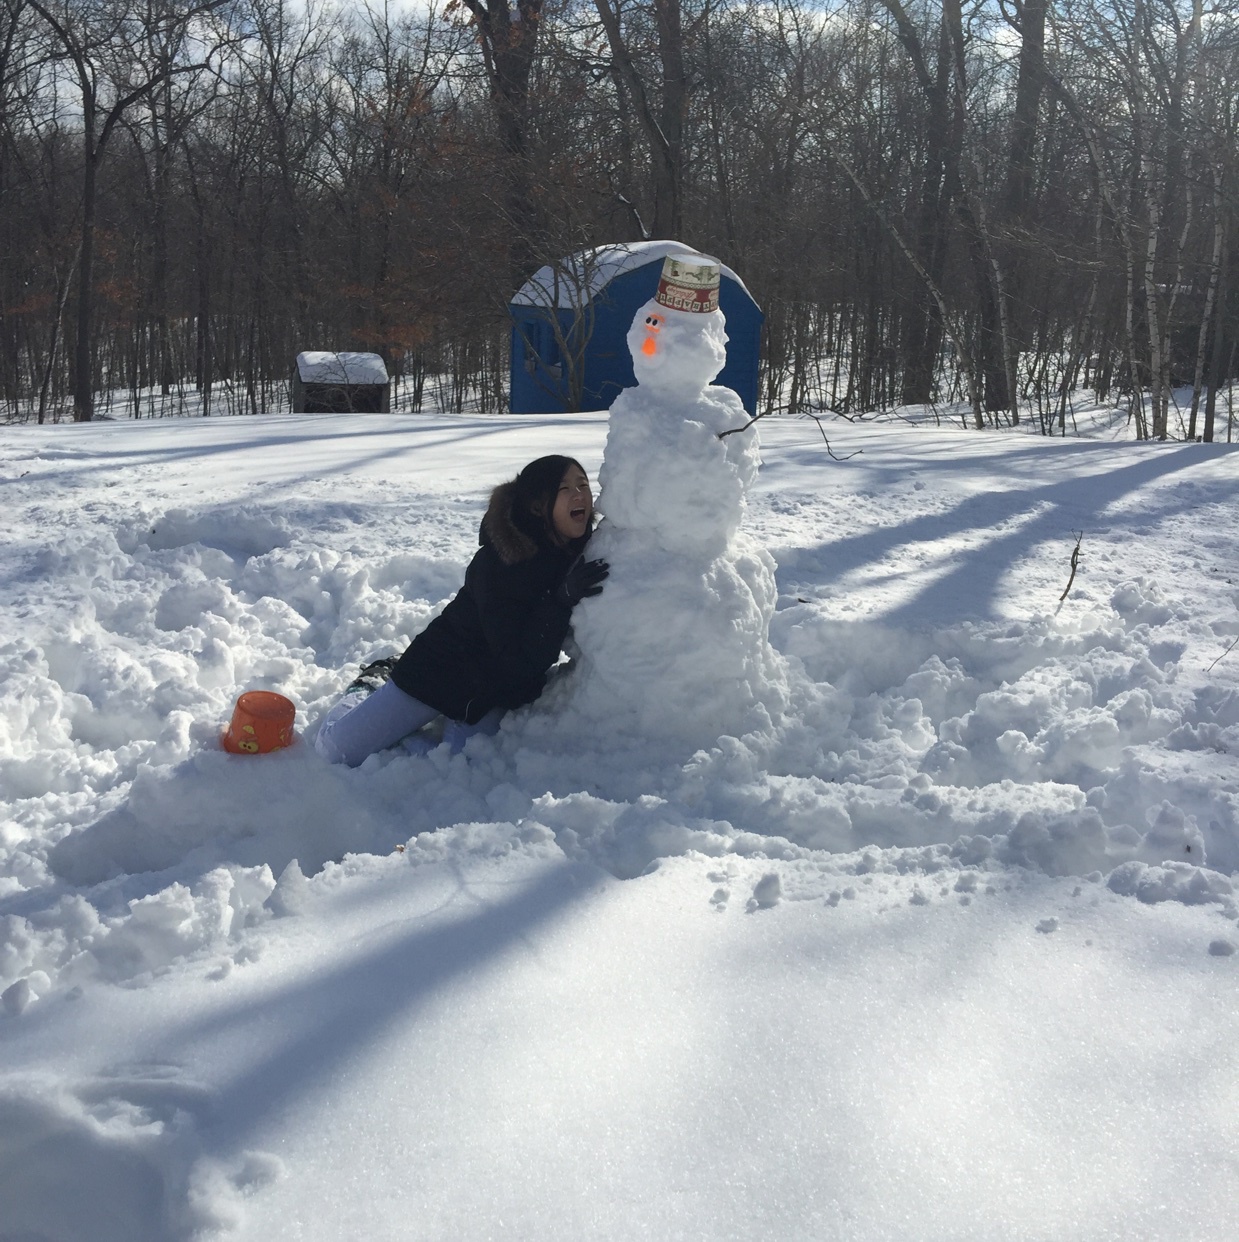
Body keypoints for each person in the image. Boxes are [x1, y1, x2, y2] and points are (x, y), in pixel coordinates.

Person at [314, 455, 608, 766]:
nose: (580, 494)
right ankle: (371, 684)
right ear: (538, 505)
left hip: (491, 691)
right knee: (337, 750)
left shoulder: (582, 547)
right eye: (565, 488)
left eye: (583, 484)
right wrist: (559, 600)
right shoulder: (500, 564)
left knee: (460, 762)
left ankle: (406, 732)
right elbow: (516, 656)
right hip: (440, 671)